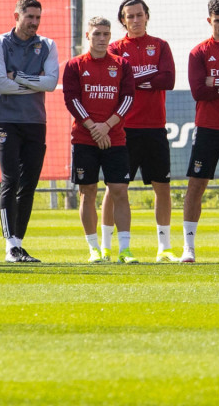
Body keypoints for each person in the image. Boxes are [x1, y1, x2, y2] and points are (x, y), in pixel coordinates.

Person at [0, 0, 59, 263]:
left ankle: (18, 244)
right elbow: (0, 85)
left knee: (28, 184)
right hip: (6, 119)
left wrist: (18, 77)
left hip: (35, 121)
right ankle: (9, 245)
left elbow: (51, 84)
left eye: (38, 17)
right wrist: (34, 83)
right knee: (10, 180)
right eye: (29, 17)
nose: (34, 22)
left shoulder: (48, 45)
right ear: (15, 16)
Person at [106, 0, 177, 262]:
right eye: (130, 16)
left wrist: (136, 80)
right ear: (123, 20)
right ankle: (105, 246)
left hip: (155, 127)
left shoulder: (160, 46)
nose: (135, 20)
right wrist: (147, 79)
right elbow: (119, 85)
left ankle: (164, 247)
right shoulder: (114, 48)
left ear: (147, 16)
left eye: (139, 15)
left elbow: (168, 80)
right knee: (115, 189)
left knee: (163, 186)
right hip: (124, 129)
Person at [63, 17, 136, 264]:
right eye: (97, 34)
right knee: (88, 192)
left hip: (114, 137)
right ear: (87, 36)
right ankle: (94, 249)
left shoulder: (122, 65)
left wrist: (106, 126)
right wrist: (94, 127)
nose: (102, 38)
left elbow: (127, 98)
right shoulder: (74, 65)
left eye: (106, 34)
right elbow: (72, 99)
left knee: (119, 191)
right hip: (84, 138)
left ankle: (124, 250)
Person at [181, 0, 219, 263]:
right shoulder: (199, 52)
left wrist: (216, 81)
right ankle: (188, 248)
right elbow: (198, 90)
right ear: (209, 21)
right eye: (218, 21)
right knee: (196, 185)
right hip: (207, 128)